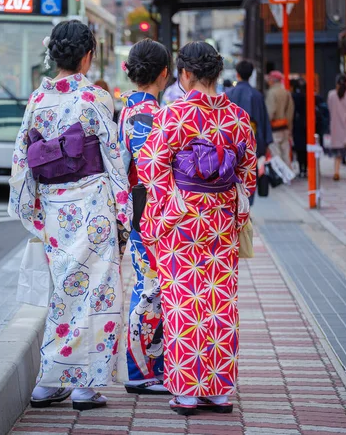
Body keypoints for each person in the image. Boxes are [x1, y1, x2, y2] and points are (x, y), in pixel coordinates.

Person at [8, 20, 130, 411]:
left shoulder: (36, 100)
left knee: (63, 293)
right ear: (87, 56)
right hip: (93, 204)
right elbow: (113, 158)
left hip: (55, 209)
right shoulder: (96, 98)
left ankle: (49, 381)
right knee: (98, 293)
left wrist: (32, 212)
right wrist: (123, 212)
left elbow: (22, 161)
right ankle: (85, 387)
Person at [137, 41, 257, 415]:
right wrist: (226, 204)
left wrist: (166, 210)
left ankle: (188, 391)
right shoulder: (237, 117)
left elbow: (151, 167)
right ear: (216, 73)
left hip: (181, 222)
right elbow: (247, 175)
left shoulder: (174, 115)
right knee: (220, 301)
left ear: (185, 74)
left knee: (185, 302)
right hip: (221, 220)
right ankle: (219, 390)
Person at [118, 39, 171, 395]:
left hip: (134, 209)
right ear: (164, 75)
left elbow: (121, 168)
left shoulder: (124, 112)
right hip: (158, 210)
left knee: (145, 284)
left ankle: (146, 367)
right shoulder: (161, 116)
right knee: (154, 288)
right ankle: (141, 371)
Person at [227, 60, 272, 200]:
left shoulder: (229, 94)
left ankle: (236, 207)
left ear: (237, 74)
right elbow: (263, 120)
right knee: (250, 175)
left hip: (232, 142)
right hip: (253, 142)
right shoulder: (257, 95)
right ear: (250, 74)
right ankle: (247, 209)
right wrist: (266, 144)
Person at [265, 70, 294, 166]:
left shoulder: (272, 93)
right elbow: (290, 112)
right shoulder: (286, 92)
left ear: (272, 80)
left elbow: (270, 112)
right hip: (285, 128)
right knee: (286, 154)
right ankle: (288, 178)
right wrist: (289, 128)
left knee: (276, 155)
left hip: (274, 129)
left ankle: (280, 178)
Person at [327, 74, 346, 181]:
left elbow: (329, 108)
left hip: (336, 127)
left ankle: (336, 172)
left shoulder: (331, 95)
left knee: (337, 155)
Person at [291, 78, 308, 178]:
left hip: (297, 124)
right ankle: (305, 168)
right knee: (306, 148)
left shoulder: (294, 96)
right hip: (307, 125)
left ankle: (301, 168)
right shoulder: (308, 96)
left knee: (298, 148)